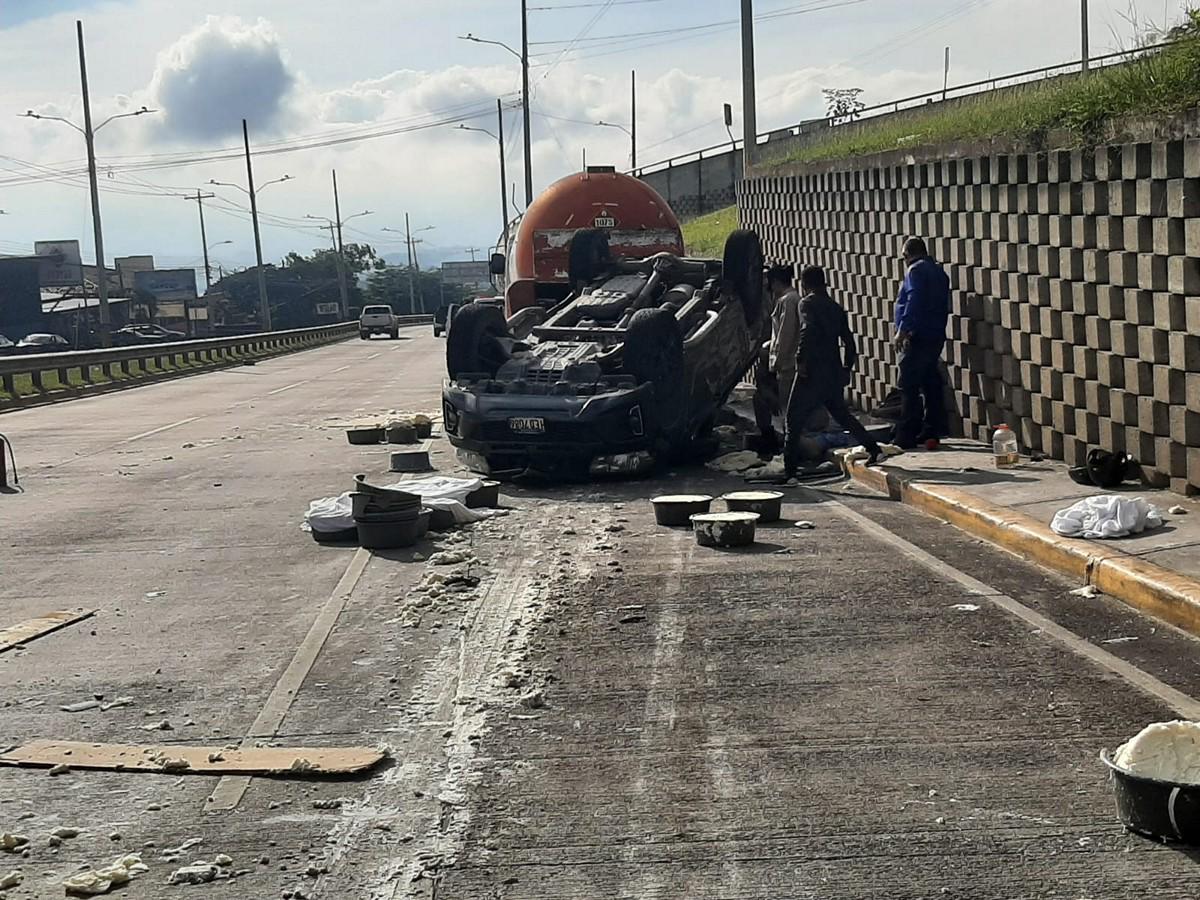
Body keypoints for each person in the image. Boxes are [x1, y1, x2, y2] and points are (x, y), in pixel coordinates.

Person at [783, 265, 882, 475]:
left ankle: (789, 471)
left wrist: (800, 360)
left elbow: (807, 330)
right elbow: (850, 342)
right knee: (843, 415)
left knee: (793, 420)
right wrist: (847, 368)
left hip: (811, 372)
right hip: (832, 373)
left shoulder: (806, 304)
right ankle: (874, 448)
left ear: (805, 283)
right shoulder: (835, 307)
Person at [893, 237, 951, 449]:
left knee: (908, 384)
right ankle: (932, 429)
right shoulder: (939, 273)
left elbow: (914, 299)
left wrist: (903, 330)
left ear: (908, 255)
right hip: (935, 334)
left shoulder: (915, 271)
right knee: (930, 381)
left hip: (917, 336)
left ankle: (906, 434)